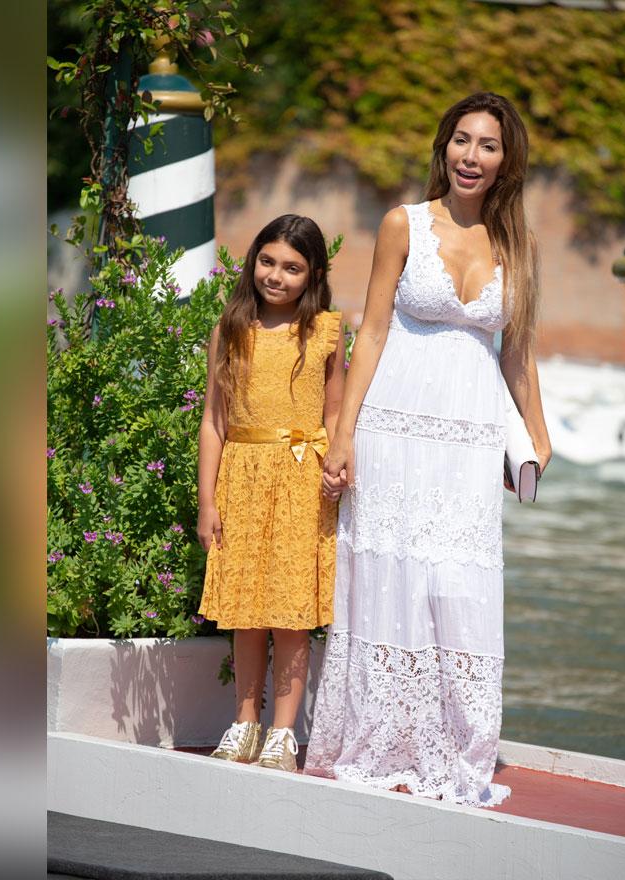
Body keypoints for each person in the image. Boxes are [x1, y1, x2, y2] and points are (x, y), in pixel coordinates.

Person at [306, 93, 552, 806]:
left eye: (488, 145)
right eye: (462, 141)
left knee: (459, 583)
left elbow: (519, 352)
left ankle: (455, 749)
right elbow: (372, 330)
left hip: (469, 438)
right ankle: (381, 738)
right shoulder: (402, 224)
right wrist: (343, 433)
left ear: (508, 161)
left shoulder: (521, 248)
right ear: (444, 147)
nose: (471, 156)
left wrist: (539, 435)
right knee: (388, 575)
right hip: (391, 427)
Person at [196, 214, 346, 772]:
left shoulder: (327, 330)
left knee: (290, 610)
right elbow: (214, 421)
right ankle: (243, 722)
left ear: (313, 274)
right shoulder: (230, 329)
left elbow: (335, 409)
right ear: (252, 259)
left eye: (292, 267)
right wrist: (207, 502)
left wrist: (337, 461)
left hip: (303, 481)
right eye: (267, 261)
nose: (275, 276)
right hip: (241, 476)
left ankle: (284, 731)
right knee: (245, 611)